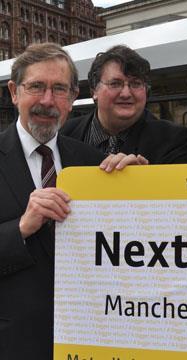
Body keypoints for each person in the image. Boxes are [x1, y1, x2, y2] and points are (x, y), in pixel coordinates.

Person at [0, 43, 147, 359]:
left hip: (88, 338)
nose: (47, 101)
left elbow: (128, 251)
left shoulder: (93, 161)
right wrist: (22, 228)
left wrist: (136, 193)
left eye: (59, 89)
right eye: (36, 87)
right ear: (14, 92)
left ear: (72, 96)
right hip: (13, 344)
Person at [61, 45, 187, 164]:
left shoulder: (173, 139)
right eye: (115, 84)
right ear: (94, 91)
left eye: (136, 84)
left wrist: (144, 179)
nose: (126, 93)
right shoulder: (63, 133)